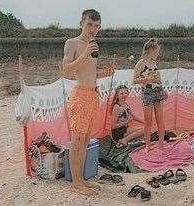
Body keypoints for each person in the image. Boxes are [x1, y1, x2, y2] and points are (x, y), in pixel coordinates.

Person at [62, 9, 114, 195]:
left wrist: (103, 74)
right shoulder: (72, 43)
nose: (93, 29)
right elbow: (66, 70)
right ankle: (76, 183)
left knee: (84, 141)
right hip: (80, 96)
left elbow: (88, 73)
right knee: (77, 141)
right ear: (81, 24)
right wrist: (84, 54)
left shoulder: (93, 44)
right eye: (90, 25)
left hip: (93, 95)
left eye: (97, 26)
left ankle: (81, 179)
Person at [133, 38, 167, 152]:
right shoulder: (141, 63)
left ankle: (161, 145)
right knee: (148, 122)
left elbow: (158, 79)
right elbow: (134, 80)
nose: (158, 53)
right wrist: (147, 79)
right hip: (147, 93)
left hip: (157, 92)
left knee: (160, 120)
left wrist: (163, 90)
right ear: (151, 50)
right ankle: (147, 145)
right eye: (157, 51)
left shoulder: (154, 63)